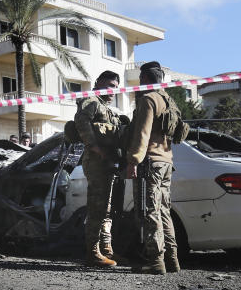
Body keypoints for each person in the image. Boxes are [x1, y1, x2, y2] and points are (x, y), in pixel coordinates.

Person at [125, 61, 189, 274]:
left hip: (150, 161)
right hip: (166, 161)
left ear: (144, 79)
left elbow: (142, 134)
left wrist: (133, 161)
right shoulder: (170, 101)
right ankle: (172, 259)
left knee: (150, 211)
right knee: (163, 211)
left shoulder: (149, 99)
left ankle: (155, 261)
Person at [74, 70, 123, 267]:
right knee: (97, 207)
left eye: (116, 87)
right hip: (95, 161)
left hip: (107, 161)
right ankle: (92, 252)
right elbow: (81, 120)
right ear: (99, 83)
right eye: (110, 85)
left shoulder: (105, 107)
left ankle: (106, 249)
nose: (113, 91)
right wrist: (93, 145)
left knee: (106, 208)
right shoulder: (92, 100)